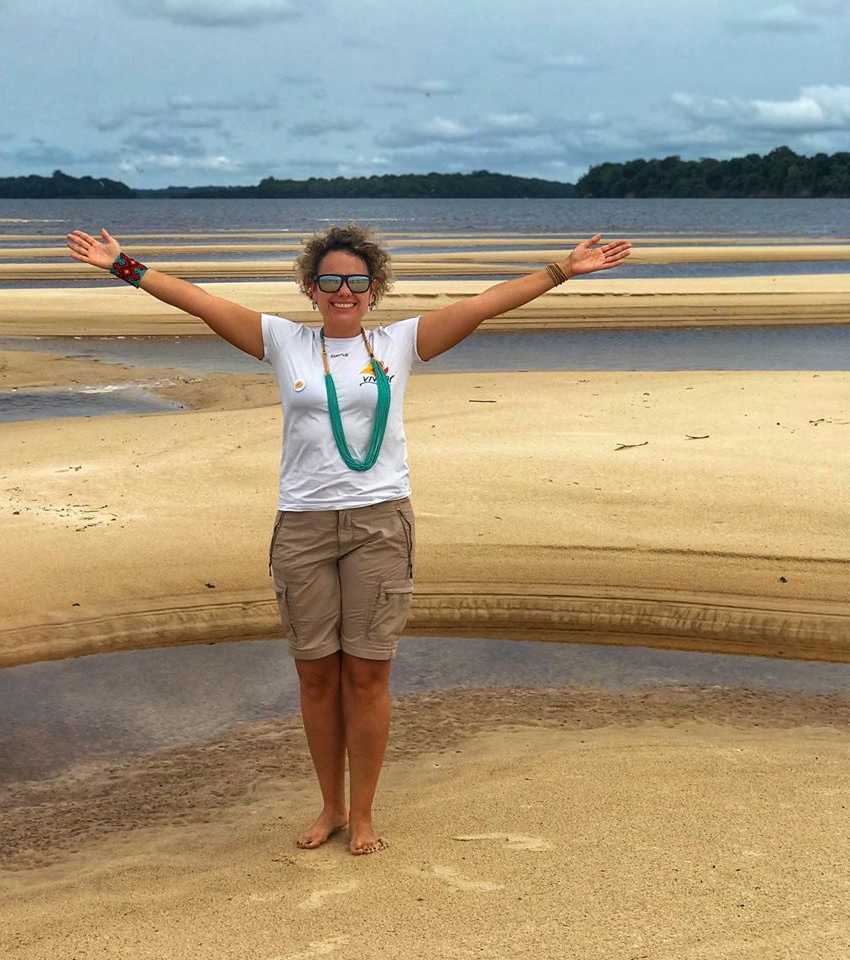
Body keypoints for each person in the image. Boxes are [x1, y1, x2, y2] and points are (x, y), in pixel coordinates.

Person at [65, 222, 631, 855]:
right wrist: (123, 266)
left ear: (373, 288)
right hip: (303, 527)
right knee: (315, 676)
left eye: (356, 281)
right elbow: (201, 300)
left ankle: (362, 813)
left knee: (366, 674)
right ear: (311, 288)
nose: (343, 290)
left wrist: (562, 270)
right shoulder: (284, 342)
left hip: (379, 525)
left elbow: (483, 303)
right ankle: (330, 806)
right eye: (330, 280)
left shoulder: (399, 343)